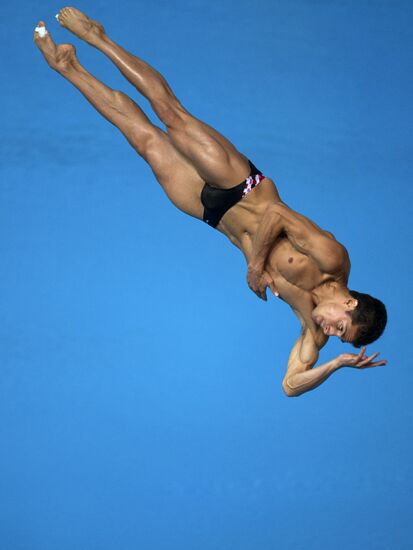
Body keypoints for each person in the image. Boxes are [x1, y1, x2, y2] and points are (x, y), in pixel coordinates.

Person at [34, 7, 387, 397]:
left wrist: (336, 364)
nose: (328, 331)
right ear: (350, 302)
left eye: (336, 337)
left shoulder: (310, 326)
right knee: (170, 114)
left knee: (144, 140)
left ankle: (67, 67)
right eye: (340, 327)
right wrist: (256, 267)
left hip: (213, 214)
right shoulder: (333, 259)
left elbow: (290, 385)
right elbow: (277, 213)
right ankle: (97, 37)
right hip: (244, 186)